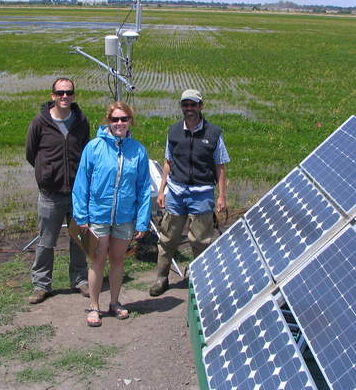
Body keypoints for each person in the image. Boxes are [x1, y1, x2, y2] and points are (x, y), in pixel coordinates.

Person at [72, 102, 152, 327]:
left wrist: (143, 219)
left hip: (125, 217)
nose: (119, 123)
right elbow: (82, 183)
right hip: (98, 215)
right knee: (97, 260)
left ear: (130, 121)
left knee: (117, 261)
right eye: (115, 119)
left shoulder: (138, 150)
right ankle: (94, 306)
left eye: (124, 119)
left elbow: (144, 187)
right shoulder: (94, 147)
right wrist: (82, 217)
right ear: (108, 121)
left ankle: (115, 302)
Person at [149, 89, 229, 297]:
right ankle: (161, 277)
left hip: (201, 193)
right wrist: (161, 190)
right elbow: (168, 162)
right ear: (181, 107)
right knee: (167, 238)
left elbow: (220, 166)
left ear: (201, 106)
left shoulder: (214, 133)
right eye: (185, 105)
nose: (189, 109)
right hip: (176, 192)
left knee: (201, 240)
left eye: (193, 104)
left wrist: (221, 196)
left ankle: (200, 278)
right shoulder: (173, 131)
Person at [25, 78, 90, 304]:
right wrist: (47, 174)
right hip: (50, 195)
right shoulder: (39, 123)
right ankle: (41, 285)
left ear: (73, 95)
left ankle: (80, 280)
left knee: (80, 238)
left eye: (69, 93)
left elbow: (86, 152)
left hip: (77, 193)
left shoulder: (81, 121)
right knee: (46, 241)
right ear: (52, 95)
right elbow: (31, 154)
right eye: (60, 93)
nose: (65, 97)